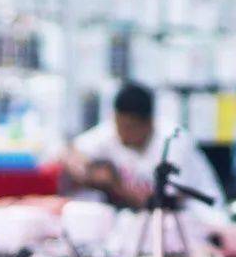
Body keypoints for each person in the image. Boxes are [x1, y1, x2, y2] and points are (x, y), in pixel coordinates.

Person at [65, 82, 226, 228]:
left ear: (148, 123)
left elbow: (164, 202)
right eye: (118, 126)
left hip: (199, 218)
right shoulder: (113, 132)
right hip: (150, 220)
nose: (122, 134)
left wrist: (115, 185)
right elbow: (72, 152)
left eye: (128, 128)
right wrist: (87, 174)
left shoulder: (173, 140)